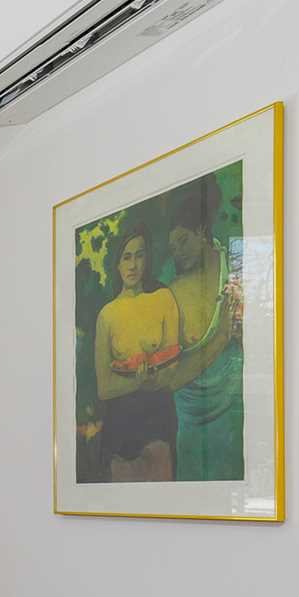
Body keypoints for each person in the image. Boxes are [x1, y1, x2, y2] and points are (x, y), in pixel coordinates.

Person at [163, 174, 245, 480]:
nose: (178, 251)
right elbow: (170, 377)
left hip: (233, 408)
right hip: (189, 417)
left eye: (183, 240)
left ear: (201, 232)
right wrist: (222, 337)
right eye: (172, 246)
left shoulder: (233, 265)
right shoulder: (169, 284)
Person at [92, 222, 181, 480]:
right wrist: (142, 380)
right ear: (117, 263)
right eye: (126, 257)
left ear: (148, 258)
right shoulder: (106, 315)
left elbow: (172, 367)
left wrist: (140, 379)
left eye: (139, 255)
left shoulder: (164, 299)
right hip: (119, 428)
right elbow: (104, 388)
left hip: (158, 423)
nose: (133, 265)